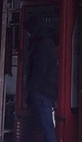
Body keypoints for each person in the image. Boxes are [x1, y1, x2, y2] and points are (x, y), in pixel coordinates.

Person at [24, 14, 58, 142]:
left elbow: (39, 69)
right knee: (42, 127)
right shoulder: (46, 42)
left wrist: (31, 90)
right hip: (46, 92)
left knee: (45, 127)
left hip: (41, 92)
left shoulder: (41, 44)